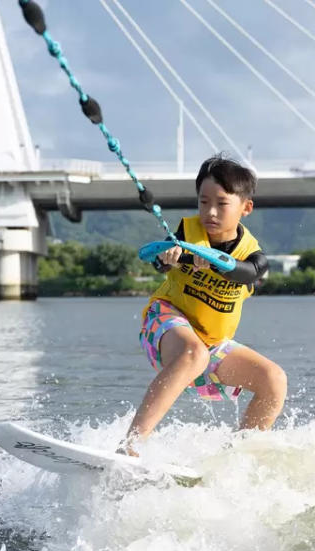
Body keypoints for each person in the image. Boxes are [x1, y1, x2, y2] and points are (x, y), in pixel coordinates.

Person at [119, 154, 287, 456]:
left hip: (212, 344)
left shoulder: (254, 256)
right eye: (203, 202)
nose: (210, 212)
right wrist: (168, 258)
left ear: (245, 208)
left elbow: (248, 273)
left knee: (273, 380)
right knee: (192, 352)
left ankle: (237, 459)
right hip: (166, 324)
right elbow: (158, 260)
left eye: (221, 204)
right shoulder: (186, 235)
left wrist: (213, 262)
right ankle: (130, 447)